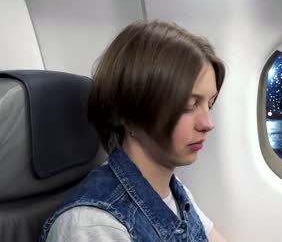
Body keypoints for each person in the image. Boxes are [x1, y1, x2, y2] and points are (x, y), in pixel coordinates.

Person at [39, 19, 227, 241]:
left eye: (210, 104)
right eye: (188, 105)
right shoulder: (93, 227)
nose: (207, 123)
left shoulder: (176, 193)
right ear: (127, 114)